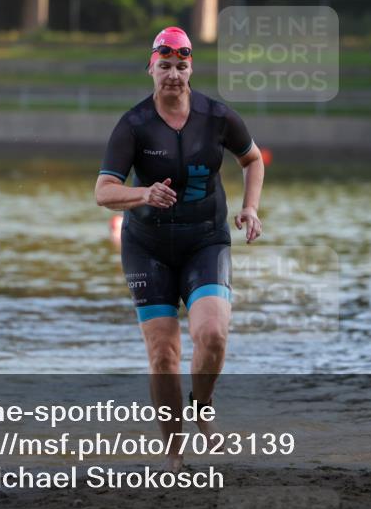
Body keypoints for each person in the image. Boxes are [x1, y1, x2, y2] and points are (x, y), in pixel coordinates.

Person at [94, 27, 265, 471]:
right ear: (151, 68)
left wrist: (249, 208)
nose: (173, 74)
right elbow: (103, 191)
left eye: (181, 66)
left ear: (191, 69)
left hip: (206, 241)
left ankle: (202, 408)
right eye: (164, 65)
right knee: (164, 355)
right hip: (147, 248)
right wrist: (143, 194)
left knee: (212, 335)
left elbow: (251, 159)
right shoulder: (133, 125)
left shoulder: (217, 117)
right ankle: (173, 452)